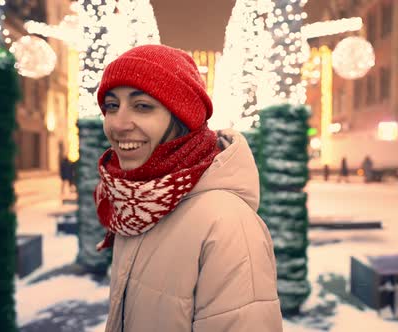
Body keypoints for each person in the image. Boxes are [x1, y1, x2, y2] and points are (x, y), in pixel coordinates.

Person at [93, 45, 283, 332]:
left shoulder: (227, 225)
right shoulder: (134, 203)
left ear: (182, 117)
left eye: (142, 106)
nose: (118, 124)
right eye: (111, 106)